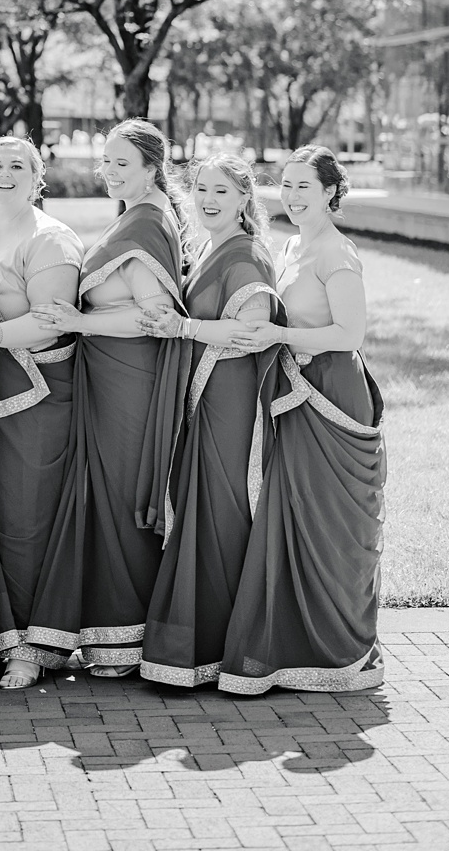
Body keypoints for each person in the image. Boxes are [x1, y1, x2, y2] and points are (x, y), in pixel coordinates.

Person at [21, 119, 188, 675]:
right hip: (109, 376)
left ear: (151, 167)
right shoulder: (139, 216)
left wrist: (77, 322)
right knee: (105, 499)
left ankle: (127, 639)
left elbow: (154, 319)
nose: (109, 172)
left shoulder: (146, 224)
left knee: (123, 502)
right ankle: (108, 635)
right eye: (105, 162)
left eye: (122, 163)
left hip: (129, 380)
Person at [217, 145, 384, 695]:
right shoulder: (290, 244)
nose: (291, 196)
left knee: (331, 524)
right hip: (294, 393)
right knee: (292, 515)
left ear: (332, 192)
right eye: (285, 186)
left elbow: (349, 336)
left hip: (332, 394)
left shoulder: (336, 253)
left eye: (303, 187)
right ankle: (290, 643)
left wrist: (280, 336)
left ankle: (339, 648)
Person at [137, 150, 279, 686]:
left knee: (220, 506)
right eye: (201, 190)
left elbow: (250, 331)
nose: (208, 201)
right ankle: (198, 643)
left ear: (245, 198)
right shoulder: (206, 246)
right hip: (204, 392)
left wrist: (182, 329)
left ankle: (225, 644)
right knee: (198, 504)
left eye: (222, 191)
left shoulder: (245, 255)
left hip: (229, 395)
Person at [0, 135, 84, 689]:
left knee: (26, 516)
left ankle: (37, 646)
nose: (5, 173)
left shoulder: (50, 239)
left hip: (40, 393)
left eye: (18, 166)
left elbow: (53, 319)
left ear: (38, 179)